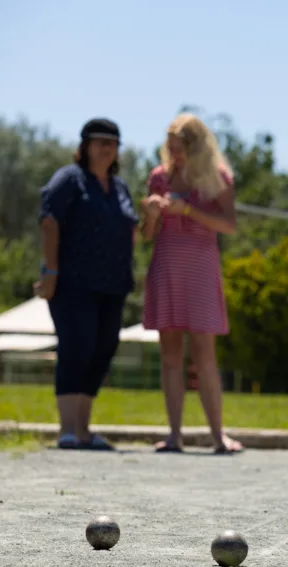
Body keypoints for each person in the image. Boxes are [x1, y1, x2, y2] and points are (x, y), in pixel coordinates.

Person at [139, 113, 242, 455]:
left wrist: (188, 212)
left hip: (200, 268)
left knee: (204, 355)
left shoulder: (217, 178)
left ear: (196, 147)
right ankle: (174, 435)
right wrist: (152, 214)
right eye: (170, 149)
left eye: (180, 149)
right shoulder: (158, 177)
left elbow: (229, 225)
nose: (174, 155)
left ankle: (217, 435)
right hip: (166, 266)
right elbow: (146, 236)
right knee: (170, 355)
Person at [35, 118, 140, 451]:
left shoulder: (119, 187)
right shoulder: (70, 179)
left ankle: (83, 429)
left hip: (112, 284)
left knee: (102, 348)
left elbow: (131, 230)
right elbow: (49, 221)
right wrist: (50, 272)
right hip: (72, 282)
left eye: (112, 143)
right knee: (76, 347)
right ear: (85, 146)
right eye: (99, 142)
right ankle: (67, 429)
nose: (106, 148)